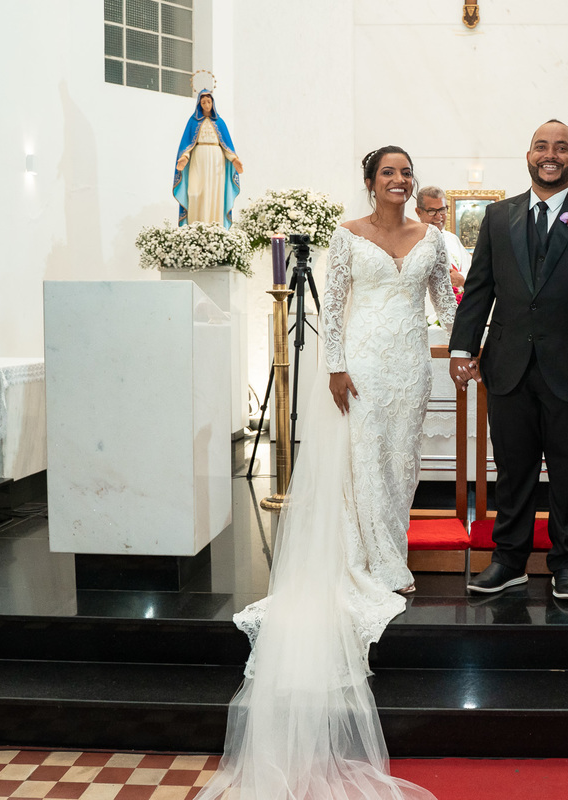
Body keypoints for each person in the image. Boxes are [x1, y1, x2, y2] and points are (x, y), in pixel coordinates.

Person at [193, 146, 456, 800]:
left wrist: (468, 349)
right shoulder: (346, 235)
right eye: (388, 172)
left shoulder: (434, 238)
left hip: (409, 367)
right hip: (362, 362)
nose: (399, 180)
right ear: (371, 182)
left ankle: (388, 549)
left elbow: (444, 304)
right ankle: (369, 562)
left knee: (402, 465)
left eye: (406, 172)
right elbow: (332, 306)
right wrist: (335, 366)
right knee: (362, 460)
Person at [448, 119, 568, 601]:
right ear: (528, 155)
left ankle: (566, 564)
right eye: (541, 146)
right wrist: (462, 346)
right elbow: (479, 289)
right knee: (512, 470)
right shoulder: (498, 216)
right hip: (509, 366)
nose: (550, 154)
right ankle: (508, 560)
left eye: (561, 147)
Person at [173, 88, 243, 228]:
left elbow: (226, 145)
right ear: (199, 104)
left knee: (215, 193)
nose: (206, 105)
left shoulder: (220, 122)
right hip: (198, 159)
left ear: (213, 103)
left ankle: (215, 228)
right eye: (203, 102)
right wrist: (184, 158)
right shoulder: (192, 122)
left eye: (208, 101)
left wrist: (234, 159)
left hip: (217, 161)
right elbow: (187, 144)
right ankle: (195, 227)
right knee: (194, 192)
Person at [414, 186, 469, 302]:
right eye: (432, 211)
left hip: (455, 308)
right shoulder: (411, 241)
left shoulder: (452, 239)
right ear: (419, 212)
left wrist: (462, 278)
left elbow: (473, 271)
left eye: (442, 210)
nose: (439, 216)